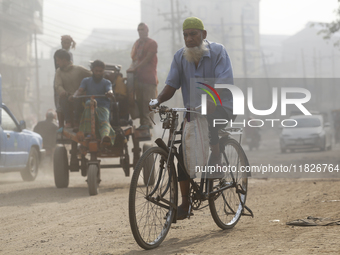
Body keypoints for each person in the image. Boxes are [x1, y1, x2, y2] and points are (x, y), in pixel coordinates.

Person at [149, 17, 235, 220]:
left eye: (193, 34)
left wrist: (213, 99)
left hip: (222, 106)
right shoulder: (180, 57)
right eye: (185, 35)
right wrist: (158, 100)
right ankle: (185, 203)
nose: (189, 38)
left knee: (210, 113)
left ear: (203, 35)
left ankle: (216, 157)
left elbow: (224, 81)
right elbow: (171, 85)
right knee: (181, 153)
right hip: (193, 112)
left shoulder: (218, 52)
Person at [73, 60, 116, 146]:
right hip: (90, 108)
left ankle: (105, 137)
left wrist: (110, 93)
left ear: (103, 71)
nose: (98, 73)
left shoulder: (107, 82)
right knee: (90, 102)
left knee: (104, 122)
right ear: (92, 70)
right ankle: (88, 133)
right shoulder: (86, 81)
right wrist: (74, 95)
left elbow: (109, 90)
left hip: (103, 108)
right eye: (96, 71)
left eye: (100, 71)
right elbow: (80, 90)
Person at [127, 22, 158, 129]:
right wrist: (131, 69)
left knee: (148, 102)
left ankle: (148, 123)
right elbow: (134, 59)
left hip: (149, 79)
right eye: (139, 30)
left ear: (147, 31)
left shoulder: (152, 43)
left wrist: (136, 67)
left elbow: (147, 59)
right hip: (138, 78)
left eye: (142, 30)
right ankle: (143, 124)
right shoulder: (137, 44)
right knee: (139, 102)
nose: (140, 32)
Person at [54, 49, 92, 128]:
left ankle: (76, 121)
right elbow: (58, 85)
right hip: (67, 96)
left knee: (78, 100)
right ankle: (68, 121)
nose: (57, 63)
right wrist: (62, 92)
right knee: (63, 99)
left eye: (58, 61)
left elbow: (92, 76)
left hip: (79, 96)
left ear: (64, 60)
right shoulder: (59, 71)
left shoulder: (79, 69)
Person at [54, 35, 76, 127]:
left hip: (69, 78)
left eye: (68, 43)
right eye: (64, 43)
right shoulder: (57, 54)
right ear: (62, 43)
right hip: (60, 77)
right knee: (59, 100)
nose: (66, 45)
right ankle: (61, 125)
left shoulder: (70, 54)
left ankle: (71, 121)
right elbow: (58, 67)